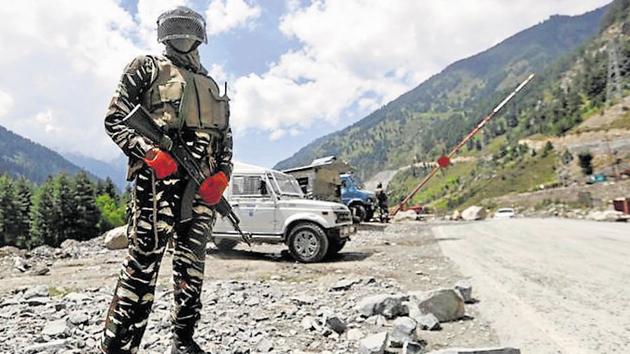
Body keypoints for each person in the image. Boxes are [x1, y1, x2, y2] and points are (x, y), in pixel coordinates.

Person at [100, 6, 232, 354]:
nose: (183, 33)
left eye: (189, 27)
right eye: (176, 27)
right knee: (142, 265)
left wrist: (223, 175)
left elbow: (225, 138)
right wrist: (147, 152)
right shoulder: (146, 67)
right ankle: (118, 345)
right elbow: (115, 117)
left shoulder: (211, 83)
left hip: (202, 188)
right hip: (157, 185)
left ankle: (184, 341)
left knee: (192, 265)